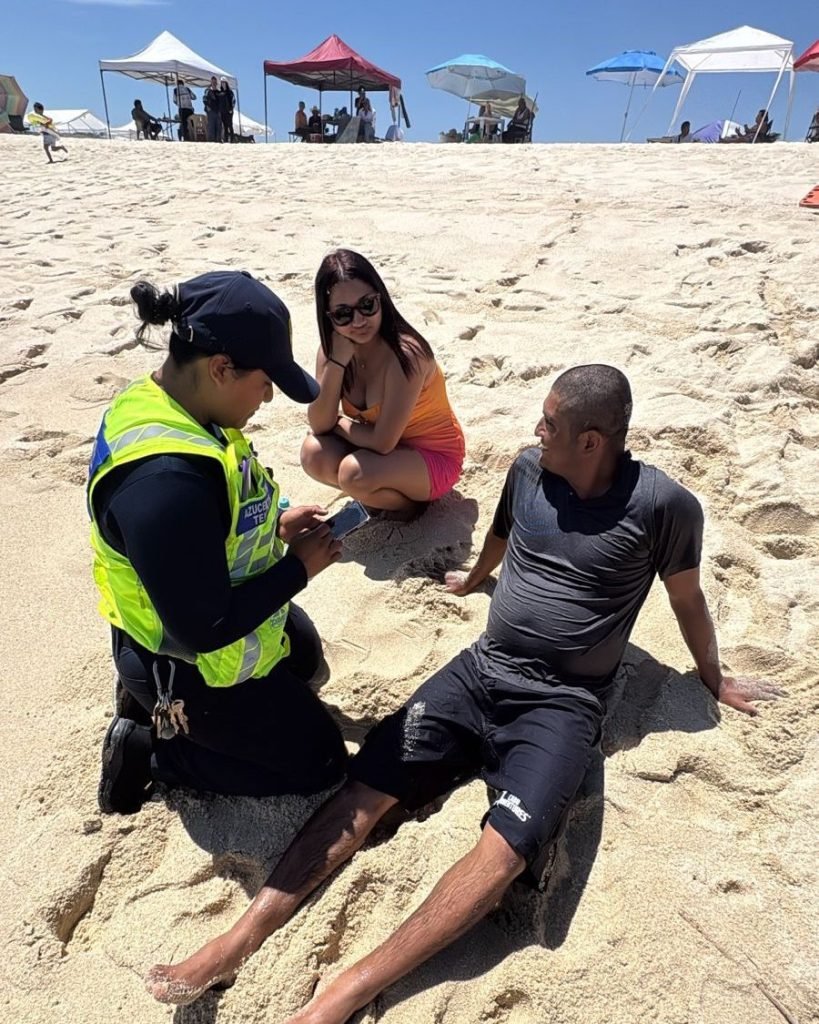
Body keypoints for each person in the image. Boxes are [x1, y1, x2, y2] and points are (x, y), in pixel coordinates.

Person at [144, 364, 782, 1015]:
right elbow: (503, 532)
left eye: (550, 422)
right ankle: (238, 940)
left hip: (561, 705)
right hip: (478, 672)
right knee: (366, 788)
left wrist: (714, 676)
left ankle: (344, 992)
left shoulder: (665, 507)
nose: (536, 430)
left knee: (504, 853)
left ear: (591, 441)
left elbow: (686, 598)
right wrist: (476, 577)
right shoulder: (528, 469)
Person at [90, 270, 349, 816]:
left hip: (193, 602)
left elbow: (212, 520)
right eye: (265, 380)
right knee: (321, 762)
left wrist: (276, 525)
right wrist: (298, 570)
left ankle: (158, 707)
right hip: (178, 653)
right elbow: (204, 629)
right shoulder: (164, 481)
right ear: (220, 368)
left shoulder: (175, 402)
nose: (269, 395)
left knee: (302, 657)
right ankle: (153, 752)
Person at [300, 249, 465, 515]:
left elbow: (382, 442)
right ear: (328, 316)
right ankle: (377, 495)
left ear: (381, 298)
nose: (358, 321)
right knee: (313, 453)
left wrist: (338, 422)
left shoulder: (405, 354)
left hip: (431, 457)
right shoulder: (333, 350)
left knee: (353, 473)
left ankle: (409, 508)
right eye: (343, 314)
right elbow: (319, 424)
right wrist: (337, 363)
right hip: (380, 455)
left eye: (367, 305)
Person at [203, 76, 221, 142]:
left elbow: (221, 101)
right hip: (210, 111)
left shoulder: (218, 92)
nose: (214, 83)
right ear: (211, 82)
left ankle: (218, 140)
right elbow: (204, 99)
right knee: (211, 126)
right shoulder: (208, 91)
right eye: (213, 82)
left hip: (218, 111)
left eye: (215, 82)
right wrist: (207, 107)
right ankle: (211, 140)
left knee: (218, 126)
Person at [218, 77, 235, 143]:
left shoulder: (230, 92)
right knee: (225, 126)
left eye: (224, 82)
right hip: (222, 111)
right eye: (222, 83)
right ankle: (226, 139)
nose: (223, 84)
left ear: (226, 83)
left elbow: (233, 101)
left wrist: (231, 108)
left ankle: (232, 140)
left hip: (229, 111)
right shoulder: (220, 93)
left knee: (230, 125)